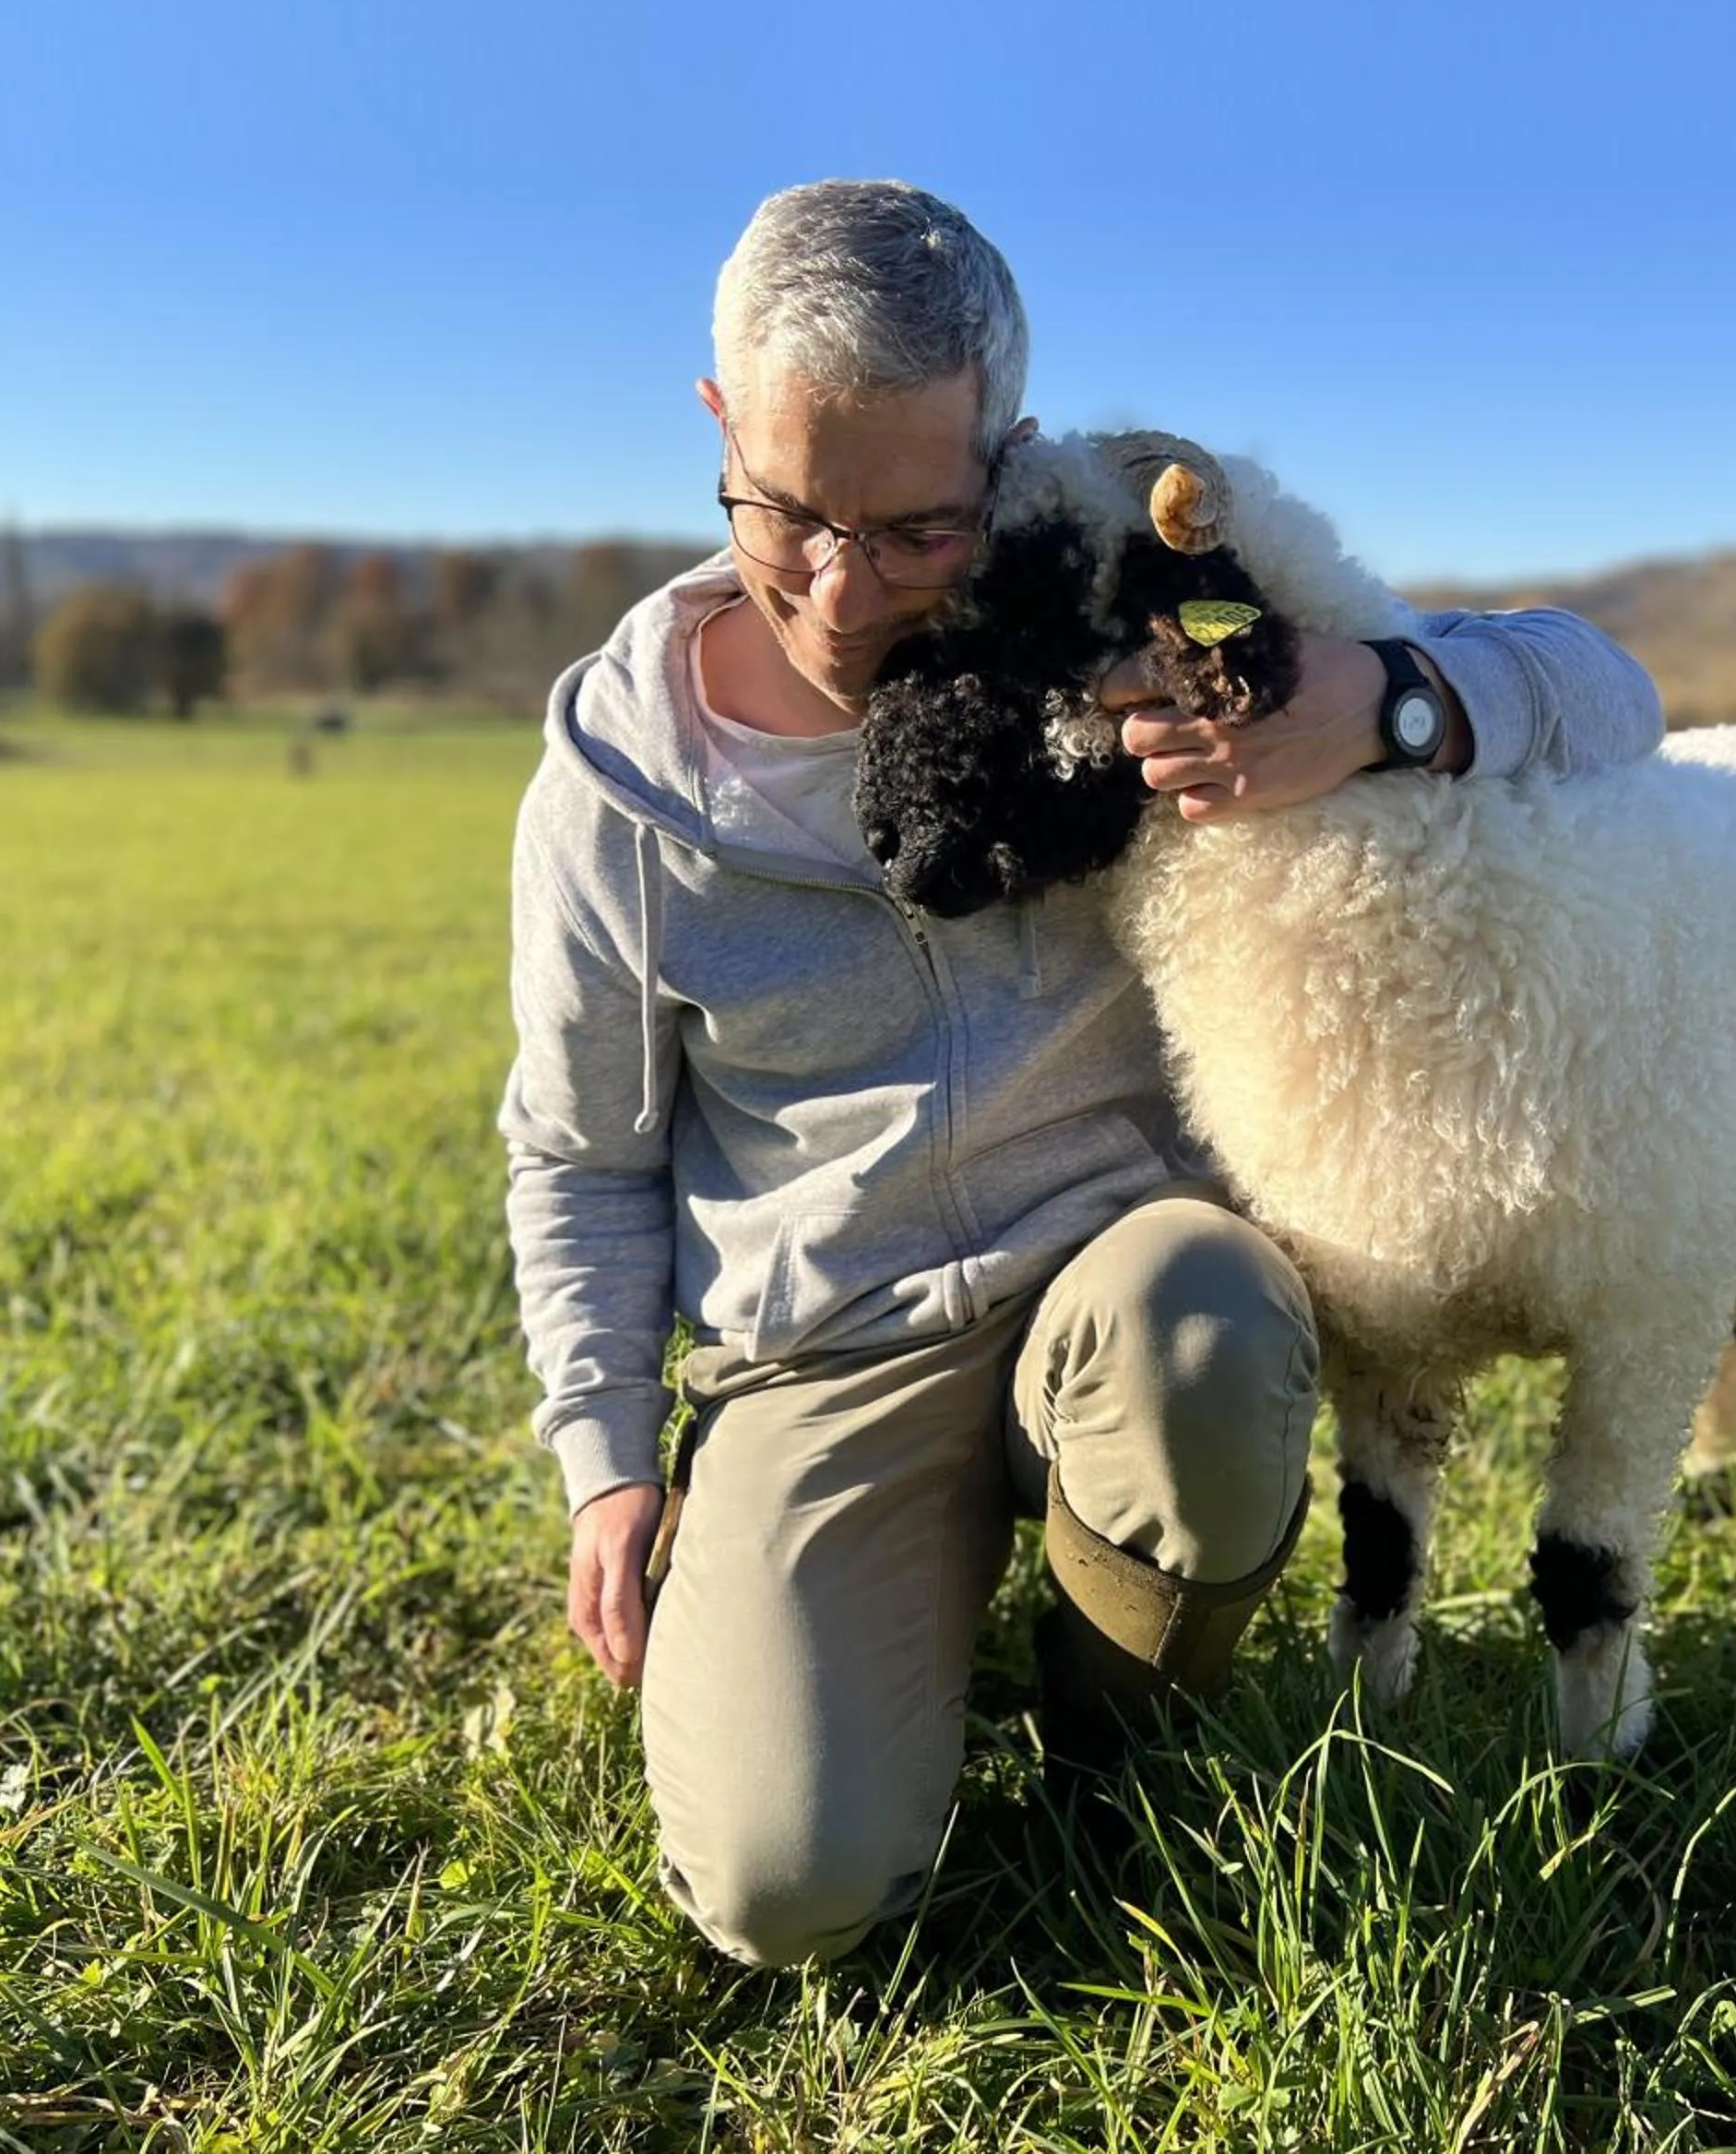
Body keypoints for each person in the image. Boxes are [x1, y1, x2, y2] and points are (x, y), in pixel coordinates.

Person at [499, 180, 1664, 1968]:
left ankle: (1118, 1753)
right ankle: (882, 1616)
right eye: (787, 513)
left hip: (1122, 1288)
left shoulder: (1111, 617)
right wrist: (602, 1455)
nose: (842, 588)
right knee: (783, 1890)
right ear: (721, 420)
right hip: (826, 1344)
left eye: (916, 528)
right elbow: (579, 1153)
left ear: (1004, 453)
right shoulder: (620, 793)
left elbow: (1605, 687)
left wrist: (1389, 696)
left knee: (1206, 1329)